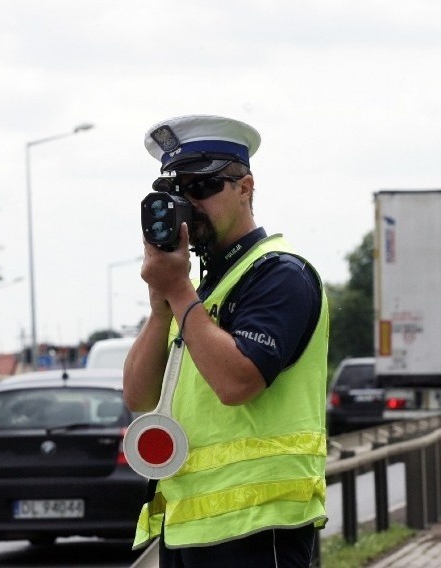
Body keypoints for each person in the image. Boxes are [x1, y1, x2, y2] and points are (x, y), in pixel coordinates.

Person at [123, 115, 330, 568]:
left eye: (203, 187)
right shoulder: (199, 292)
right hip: (188, 527)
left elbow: (237, 384)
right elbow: (139, 396)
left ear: (245, 187)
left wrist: (178, 292)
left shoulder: (280, 274)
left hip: (260, 527)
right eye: (177, 191)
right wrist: (163, 303)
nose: (190, 204)